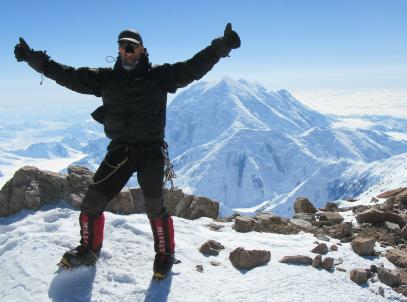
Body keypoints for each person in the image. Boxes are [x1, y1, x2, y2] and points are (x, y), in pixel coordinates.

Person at [14, 23, 241, 280]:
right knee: (91, 203)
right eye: (123, 46)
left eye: (132, 46)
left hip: (150, 152)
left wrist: (220, 47)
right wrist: (35, 60)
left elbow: (192, 67)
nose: (127, 50)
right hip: (119, 151)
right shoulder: (106, 79)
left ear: (143, 49)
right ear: (119, 50)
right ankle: (89, 250)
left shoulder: (160, 76)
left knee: (155, 208)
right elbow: (68, 75)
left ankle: (164, 256)